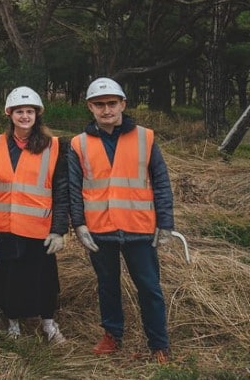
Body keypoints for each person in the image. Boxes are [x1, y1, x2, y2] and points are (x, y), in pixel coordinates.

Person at [69, 77, 174, 363]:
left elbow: (162, 182)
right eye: (99, 104)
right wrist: (78, 224)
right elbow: (74, 189)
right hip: (99, 229)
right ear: (90, 107)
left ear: (123, 104)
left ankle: (159, 344)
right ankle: (112, 335)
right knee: (107, 285)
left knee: (150, 288)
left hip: (139, 228)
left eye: (112, 104)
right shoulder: (79, 144)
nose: (106, 110)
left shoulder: (145, 137)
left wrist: (165, 223)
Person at [0, 87, 68, 342]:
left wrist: (59, 228)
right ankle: (13, 323)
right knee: (9, 277)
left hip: (38, 227)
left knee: (43, 279)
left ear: (37, 114)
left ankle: (49, 324)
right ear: (10, 114)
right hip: (5, 226)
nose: (24, 116)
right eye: (19, 111)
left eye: (29, 111)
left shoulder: (53, 146)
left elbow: (61, 190)